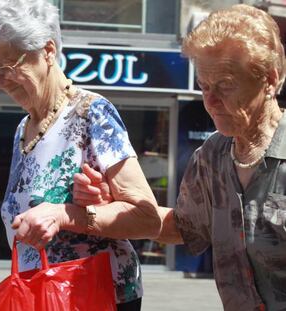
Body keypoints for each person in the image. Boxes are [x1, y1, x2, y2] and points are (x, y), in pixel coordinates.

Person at [73, 4, 286, 311]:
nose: (210, 102)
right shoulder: (211, 156)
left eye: (225, 85)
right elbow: (182, 227)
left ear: (269, 79)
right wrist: (110, 205)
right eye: (204, 86)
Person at [0, 0, 161, 309]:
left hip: (93, 296)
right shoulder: (24, 128)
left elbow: (147, 219)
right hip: (42, 296)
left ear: (48, 51)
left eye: (7, 67)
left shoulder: (91, 114)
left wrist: (63, 213)